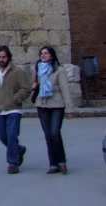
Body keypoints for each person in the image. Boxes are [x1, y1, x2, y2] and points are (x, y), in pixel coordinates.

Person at [0, 45, 31, 174]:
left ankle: (13, 163)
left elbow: (26, 88)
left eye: (4, 57)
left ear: (9, 57)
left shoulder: (17, 72)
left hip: (13, 109)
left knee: (12, 135)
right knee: (2, 136)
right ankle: (19, 150)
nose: (1, 59)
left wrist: (15, 98)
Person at [31, 45, 72, 174]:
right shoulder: (38, 68)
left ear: (52, 56)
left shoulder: (59, 70)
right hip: (42, 104)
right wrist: (34, 86)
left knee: (55, 132)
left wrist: (69, 108)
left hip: (57, 105)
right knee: (48, 135)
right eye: (41, 53)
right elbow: (34, 84)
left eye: (46, 53)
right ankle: (53, 164)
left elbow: (65, 89)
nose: (43, 55)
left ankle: (62, 161)